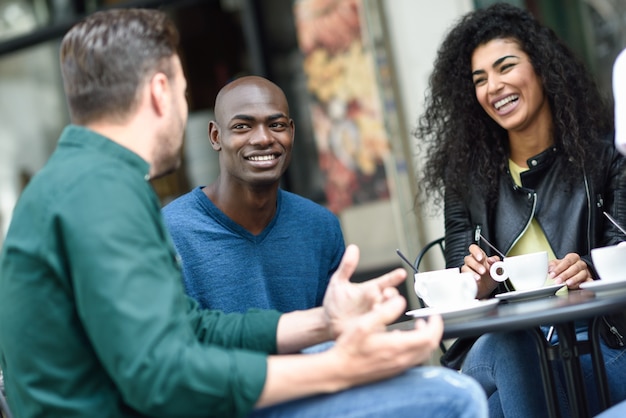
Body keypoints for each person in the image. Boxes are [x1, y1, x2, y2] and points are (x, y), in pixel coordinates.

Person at [0, 8, 489, 418]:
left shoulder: (76, 181)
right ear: (158, 92)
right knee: (453, 397)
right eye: (183, 87)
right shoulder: (100, 194)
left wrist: (323, 321)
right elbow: (163, 375)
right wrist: (340, 366)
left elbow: (192, 328)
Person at [415, 2, 626, 417]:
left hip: (599, 342)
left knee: (496, 408)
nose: (493, 86)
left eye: (505, 67)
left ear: (542, 68)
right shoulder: (468, 183)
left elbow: (620, 254)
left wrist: (587, 268)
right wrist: (473, 283)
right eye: (480, 79)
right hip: (503, 343)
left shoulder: (605, 160)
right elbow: (460, 285)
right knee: (512, 346)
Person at [162, 75, 345, 314]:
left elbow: (338, 332)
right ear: (215, 136)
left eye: (276, 125)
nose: (263, 139)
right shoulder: (169, 232)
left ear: (291, 132)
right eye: (242, 126)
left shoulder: (320, 227)